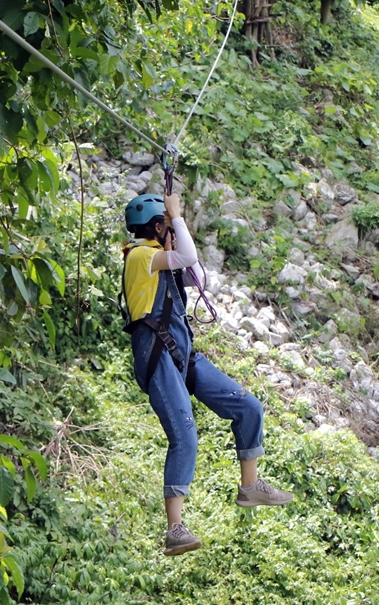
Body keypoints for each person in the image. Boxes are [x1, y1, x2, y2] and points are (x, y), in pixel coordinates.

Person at [121, 192, 293, 556]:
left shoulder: (161, 263)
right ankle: (175, 529)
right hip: (157, 356)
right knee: (185, 436)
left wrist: (175, 223)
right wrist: (177, 216)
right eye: (166, 226)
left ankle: (250, 487)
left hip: (181, 356)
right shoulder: (141, 256)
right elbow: (186, 256)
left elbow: (197, 272)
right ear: (156, 228)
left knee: (249, 407)